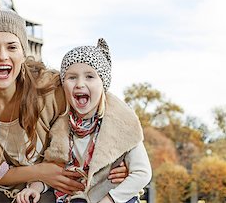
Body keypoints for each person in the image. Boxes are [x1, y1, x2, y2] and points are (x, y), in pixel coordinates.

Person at [0, 9, 129, 203]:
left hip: (48, 189)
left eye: (12, 47)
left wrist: (120, 162)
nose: (2, 56)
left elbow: (104, 111)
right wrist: (36, 172)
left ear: (23, 54)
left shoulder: (51, 91)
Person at [16, 39, 152, 203]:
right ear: (63, 85)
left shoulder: (123, 125)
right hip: (77, 198)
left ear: (103, 84)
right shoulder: (61, 128)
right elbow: (54, 172)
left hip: (114, 197)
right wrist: (34, 188)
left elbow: (142, 173)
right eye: (72, 77)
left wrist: (110, 199)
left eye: (89, 77)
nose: (80, 84)